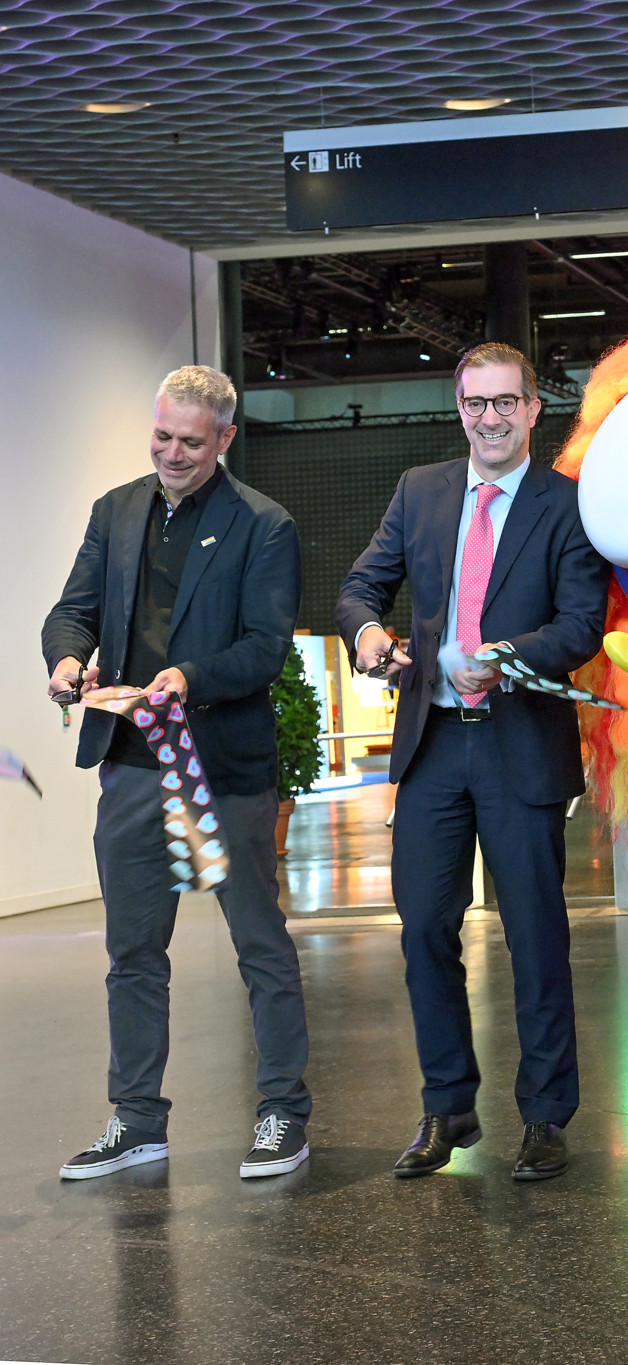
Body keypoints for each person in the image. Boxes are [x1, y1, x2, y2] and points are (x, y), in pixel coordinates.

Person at [335, 342, 608, 1182]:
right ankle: (448, 1107)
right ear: (460, 409)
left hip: (518, 739)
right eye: (474, 403)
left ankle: (546, 1116)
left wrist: (504, 652)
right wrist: (370, 634)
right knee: (422, 928)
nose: (488, 418)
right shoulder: (421, 490)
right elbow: (357, 589)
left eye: (504, 402)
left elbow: (581, 624)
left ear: (533, 409)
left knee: (535, 936)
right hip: (432, 745)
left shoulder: (568, 504)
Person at [43, 365, 312, 1181]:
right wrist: (65, 659)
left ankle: (282, 1115)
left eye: (191, 442)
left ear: (225, 438)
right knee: (132, 952)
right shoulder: (115, 510)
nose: (172, 453)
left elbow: (266, 646)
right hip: (130, 766)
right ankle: (136, 1119)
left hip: (221, 769)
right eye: (161, 436)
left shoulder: (263, 525)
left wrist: (188, 678)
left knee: (258, 944)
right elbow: (74, 608)